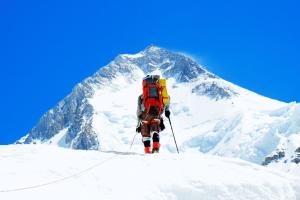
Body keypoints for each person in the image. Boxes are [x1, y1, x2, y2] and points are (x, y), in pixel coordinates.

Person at [136, 75, 171, 153]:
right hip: (157, 114)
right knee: (155, 130)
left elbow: (138, 111)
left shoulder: (141, 97)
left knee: (145, 134)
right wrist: (167, 110)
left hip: (145, 116)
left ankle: (147, 151)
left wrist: (138, 125)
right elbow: (167, 98)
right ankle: (155, 146)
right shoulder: (161, 93)